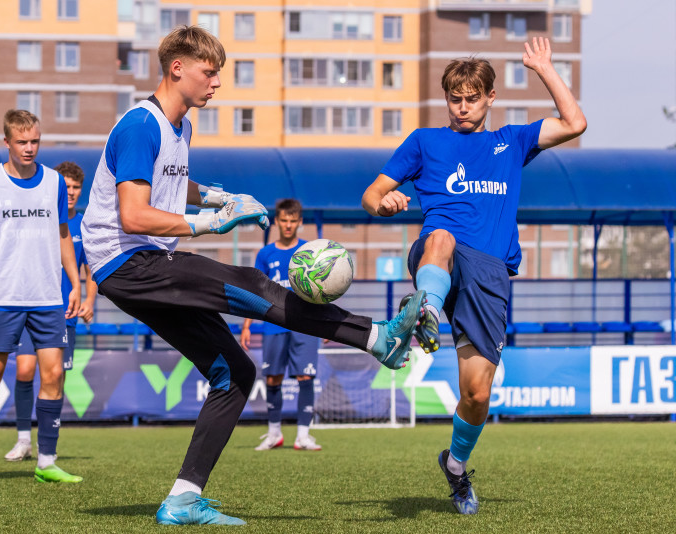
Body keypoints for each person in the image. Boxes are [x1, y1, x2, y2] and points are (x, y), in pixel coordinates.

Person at [81, 25, 425, 526]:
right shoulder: (141, 125)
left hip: (138, 267)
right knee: (255, 283)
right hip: (130, 260)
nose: (217, 83)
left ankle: (181, 500)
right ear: (177, 68)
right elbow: (134, 215)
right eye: (209, 72)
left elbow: (171, 182)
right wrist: (209, 223)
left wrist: (218, 197)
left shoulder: (180, 128)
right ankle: (377, 338)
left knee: (235, 373)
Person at [362, 37, 587, 515]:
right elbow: (371, 194)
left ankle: (456, 466)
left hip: (491, 275)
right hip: (438, 257)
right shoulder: (425, 140)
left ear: (489, 98)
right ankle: (423, 309)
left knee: (477, 392)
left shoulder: (511, 141)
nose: (462, 107)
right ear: (446, 99)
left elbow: (575, 123)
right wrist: (385, 203)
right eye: (454, 98)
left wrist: (545, 69)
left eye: (471, 98)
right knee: (441, 234)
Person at [0, 109, 83, 484]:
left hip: (46, 297)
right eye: (22, 142)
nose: (29, 148)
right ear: (6, 142)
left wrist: (75, 282)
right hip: (1, 297)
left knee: (54, 374)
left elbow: (62, 235)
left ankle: (47, 462)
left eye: (35, 141)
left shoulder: (55, 183)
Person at [4, 161, 98, 462]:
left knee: (55, 378)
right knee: (24, 370)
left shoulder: (85, 225)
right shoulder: (42, 217)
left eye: (75, 188)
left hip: (65, 312)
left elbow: (91, 269)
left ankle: (48, 446)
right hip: (31, 306)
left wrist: (89, 301)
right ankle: (23, 440)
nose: (70, 192)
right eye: (66, 187)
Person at [239, 199, 322, 452]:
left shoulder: (309, 250)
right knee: (273, 378)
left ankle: (303, 436)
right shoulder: (265, 254)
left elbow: (321, 289)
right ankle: (274, 433)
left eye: (292, 221)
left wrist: (327, 322)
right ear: (276, 221)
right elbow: (255, 290)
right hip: (273, 323)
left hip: (305, 324)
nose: (288, 225)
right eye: (283, 220)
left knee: (305, 376)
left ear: (300, 222)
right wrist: (246, 325)